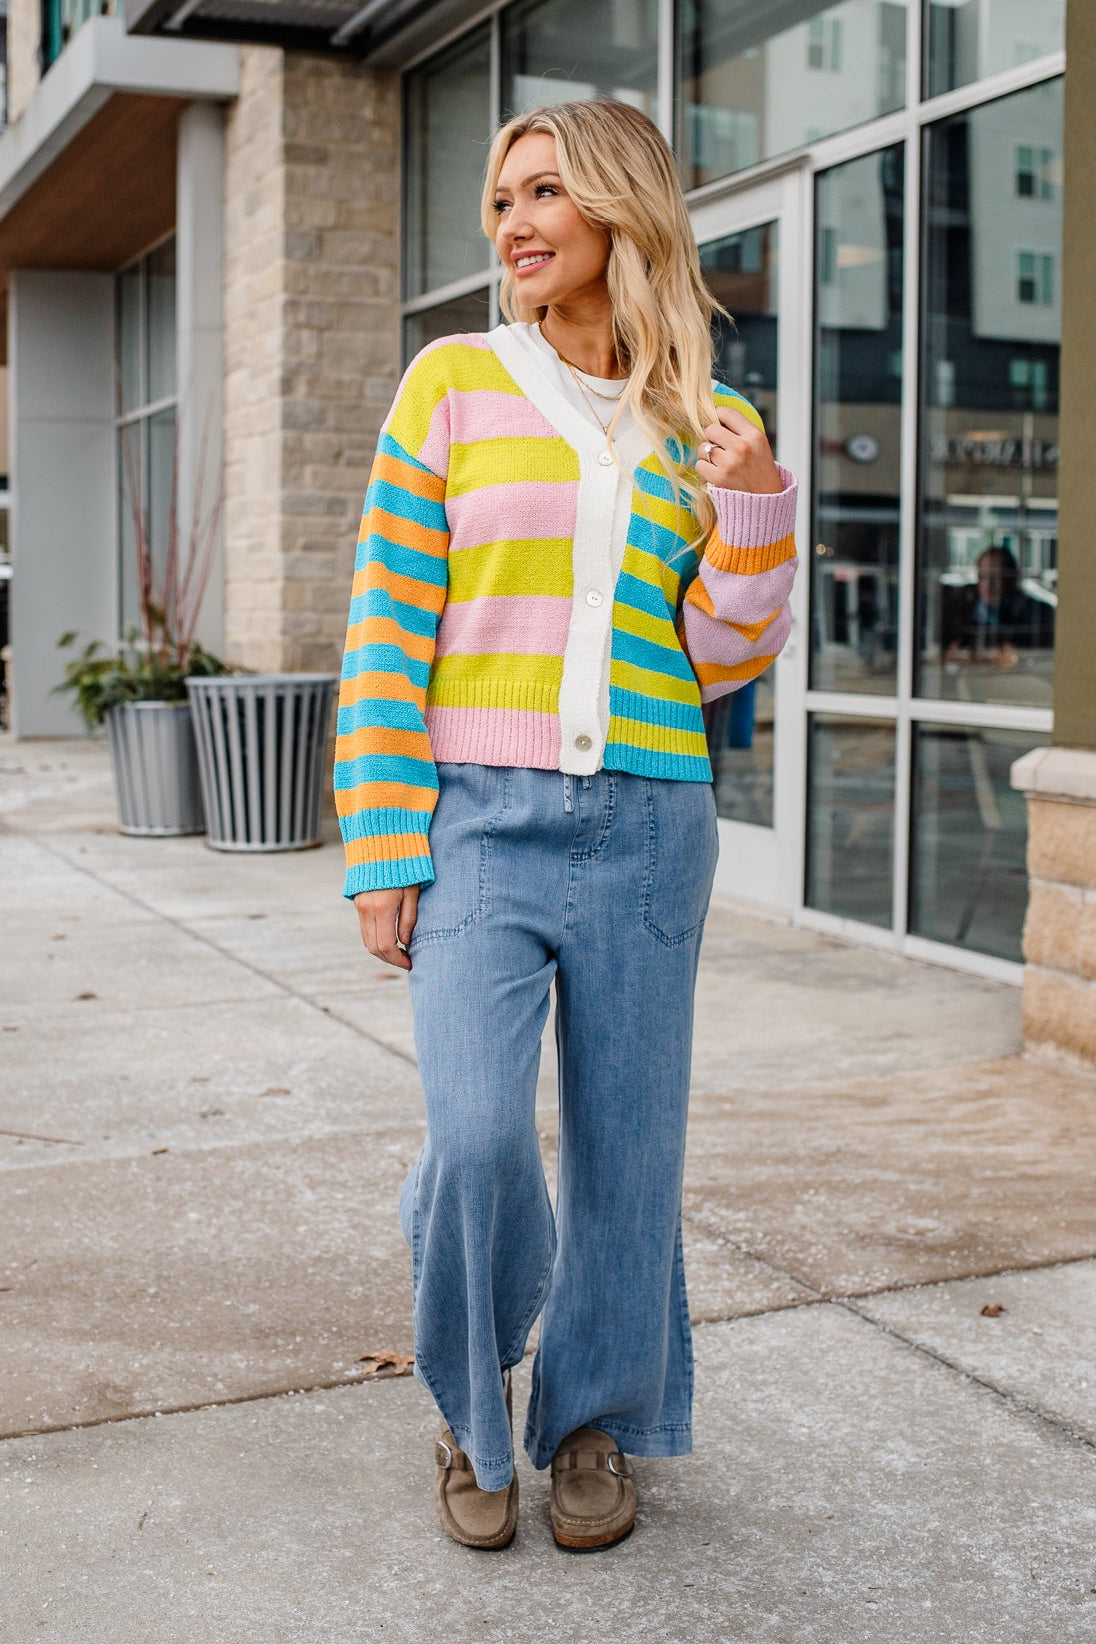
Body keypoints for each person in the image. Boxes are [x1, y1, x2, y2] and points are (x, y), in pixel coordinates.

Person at [334, 97, 798, 1553]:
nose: (515, 224)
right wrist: (384, 842)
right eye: (503, 200)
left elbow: (720, 659)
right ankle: (472, 1408)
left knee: (628, 1157)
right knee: (476, 1139)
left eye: (544, 192)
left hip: (652, 820)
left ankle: (593, 1421)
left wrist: (755, 508)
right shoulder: (453, 383)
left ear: (618, 205)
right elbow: (387, 628)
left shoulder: (708, 418)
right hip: (481, 819)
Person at [942, 544, 1054, 669]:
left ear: (1012, 579)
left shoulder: (1038, 613)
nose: (989, 584)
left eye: (996, 577)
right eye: (983, 577)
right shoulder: (958, 607)